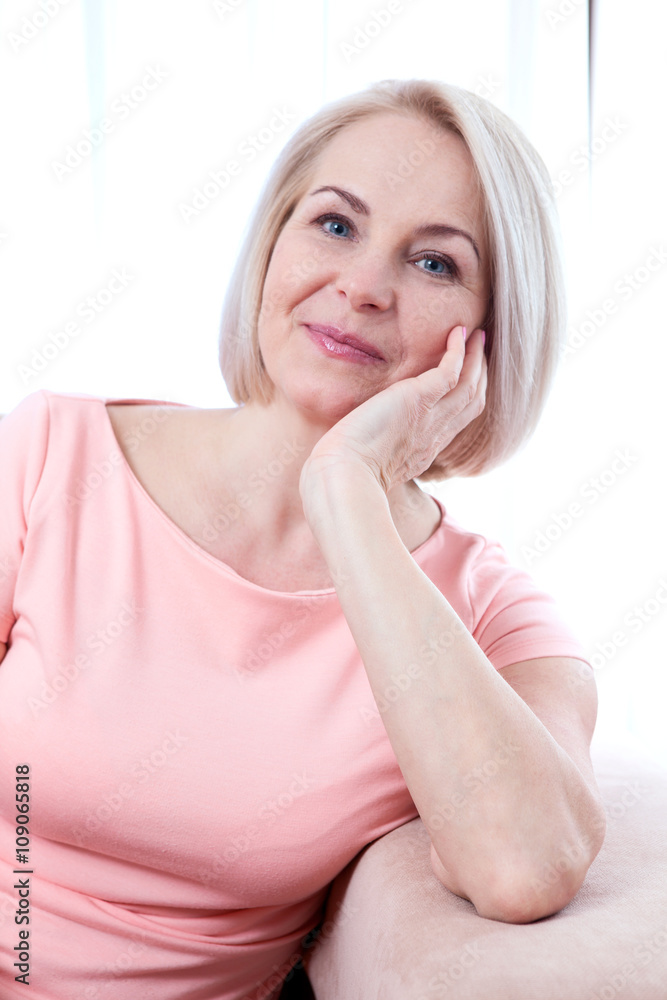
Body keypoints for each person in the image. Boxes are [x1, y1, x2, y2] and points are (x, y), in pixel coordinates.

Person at [0, 78, 606, 1000]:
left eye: (435, 264)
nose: (361, 287)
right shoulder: (47, 454)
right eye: (333, 224)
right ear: (272, 246)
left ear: (490, 336)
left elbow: (525, 865)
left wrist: (346, 491)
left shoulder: (491, 613)